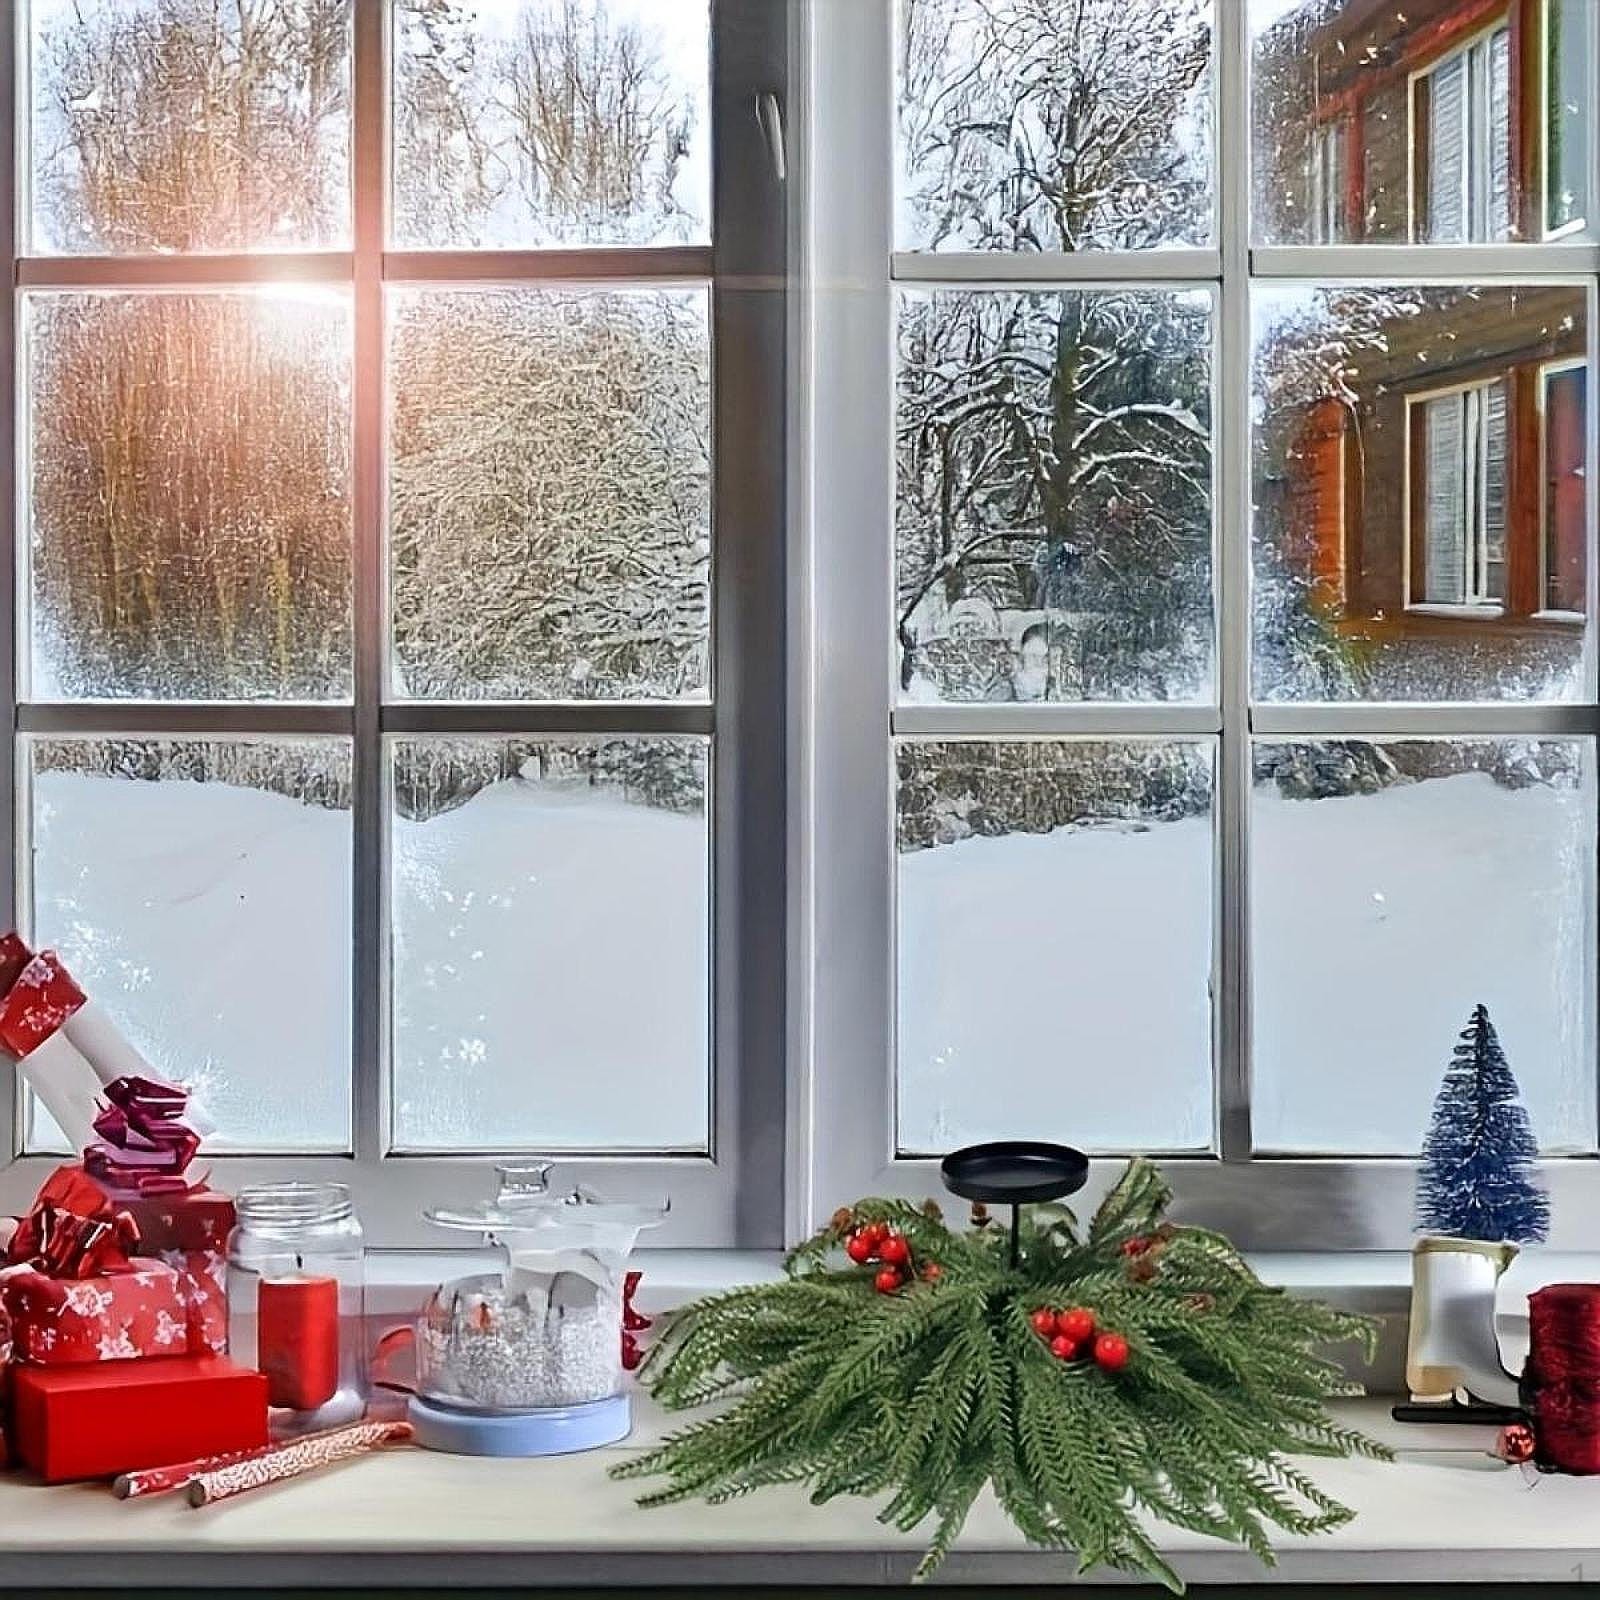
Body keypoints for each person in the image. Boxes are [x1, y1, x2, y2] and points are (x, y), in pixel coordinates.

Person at [1006, 622, 1051, 702]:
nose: (1038, 662)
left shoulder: (1052, 684)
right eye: (1033, 656)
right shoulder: (1008, 687)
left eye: (1044, 658)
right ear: (1022, 653)